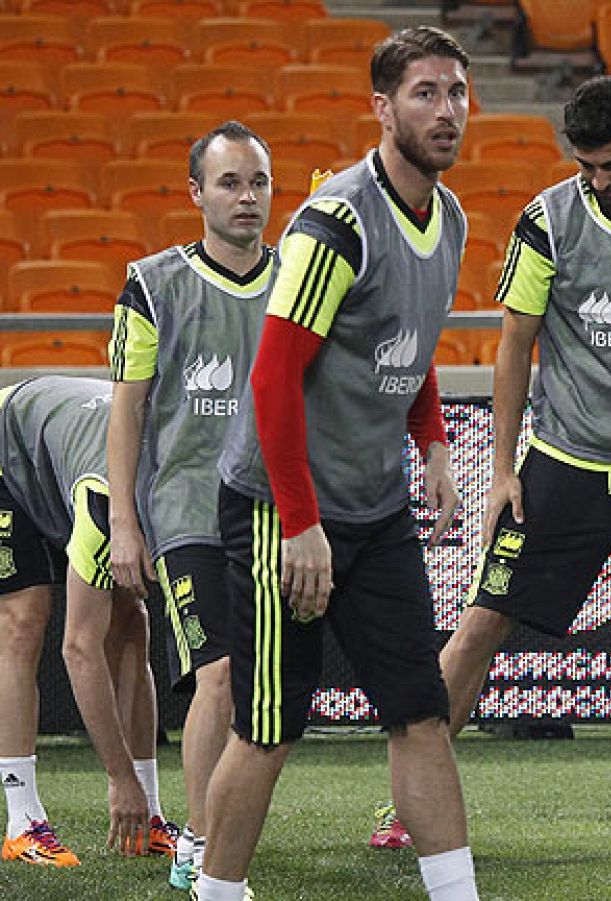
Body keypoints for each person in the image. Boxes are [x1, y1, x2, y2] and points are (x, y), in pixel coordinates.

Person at [379, 73, 611, 843]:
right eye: (586, 165)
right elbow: (515, 342)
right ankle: (408, 805)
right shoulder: (547, 219)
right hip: (566, 461)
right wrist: (505, 468)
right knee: (482, 621)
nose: (598, 180)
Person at [201, 26, 478, 901]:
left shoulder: (453, 217)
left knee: (422, 711)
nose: (446, 110)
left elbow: (412, 338)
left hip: (376, 508)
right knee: (269, 727)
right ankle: (215, 892)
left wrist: (432, 441)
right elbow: (274, 375)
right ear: (382, 108)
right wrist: (299, 522)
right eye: (426, 93)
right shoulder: (336, 221)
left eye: (458, 92)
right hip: (280, 510)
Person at [106, 120, 277, 891]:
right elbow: (128, 408)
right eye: (230, 182)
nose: (247, 197)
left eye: (258, 183)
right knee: (219, 673)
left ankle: (220, 836)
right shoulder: (151, 283)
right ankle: (200, 840)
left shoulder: (298, 282)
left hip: (271, 516)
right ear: (195, 193)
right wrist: (123, 520)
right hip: (185, 514)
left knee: (259, 688)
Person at [0, 377, 167, 868]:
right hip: (8, 453)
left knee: (132, 625)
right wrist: (119, 779)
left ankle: (151, 814)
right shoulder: (103, 502)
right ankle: (22, 821)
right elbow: (78, 649)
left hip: (63, 453)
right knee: (24, 620)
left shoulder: (181, 482)